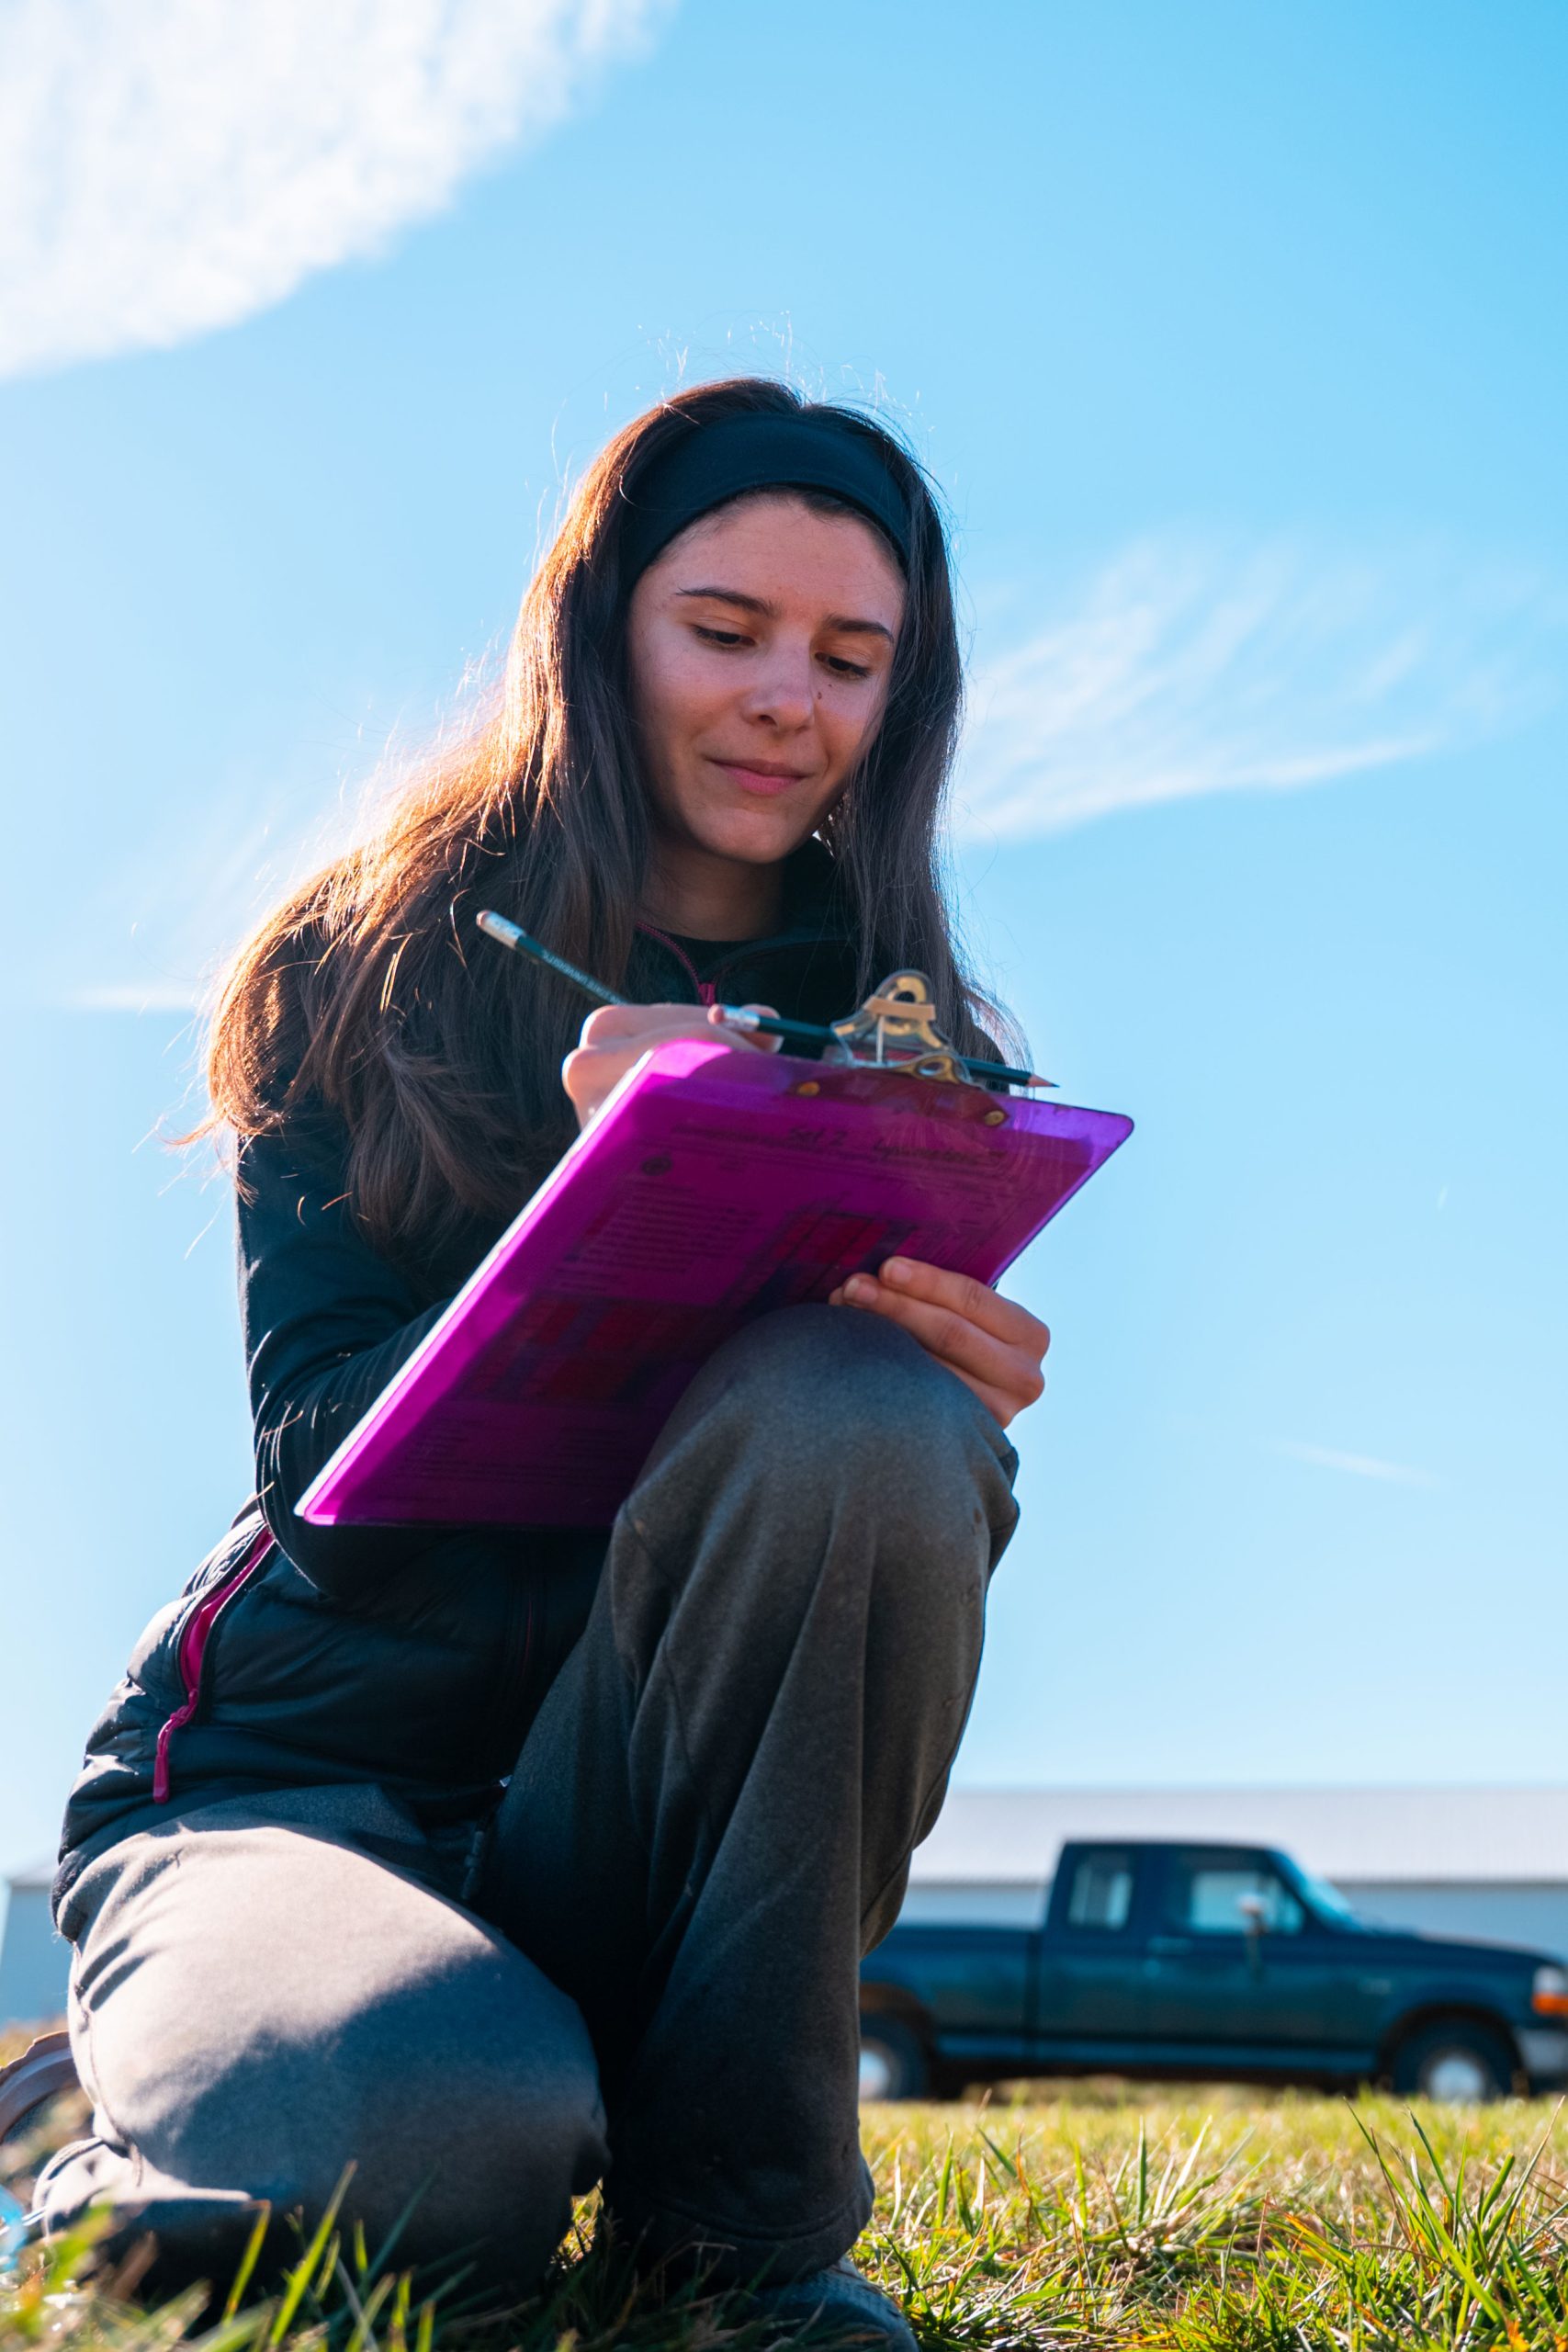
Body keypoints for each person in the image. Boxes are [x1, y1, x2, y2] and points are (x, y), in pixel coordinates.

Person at [39, 377, 1050, 2344]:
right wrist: (599, 1222)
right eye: (725, 629)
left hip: (631, 1824)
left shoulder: (913, 1054)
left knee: (872, 1419)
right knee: (430, 2143)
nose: (788, 698)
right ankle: (107, 2125)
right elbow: (323, 1475)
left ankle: (739, 2241)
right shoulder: (363, 967)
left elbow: (837, 1529)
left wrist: (933, 1416)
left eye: (852, 659)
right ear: (599, 632)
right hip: (302, 1791)